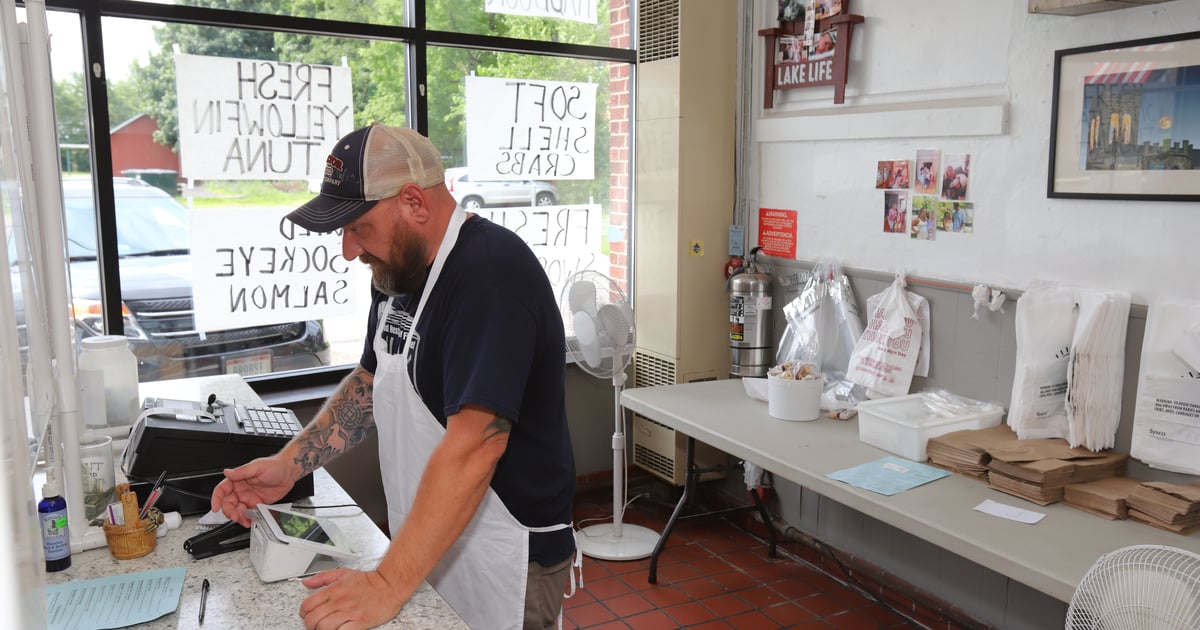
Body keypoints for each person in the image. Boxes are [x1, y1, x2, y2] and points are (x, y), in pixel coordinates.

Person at [211, 124, 578, 630]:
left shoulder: (490, 276)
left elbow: (476, 447)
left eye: (358, 227)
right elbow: (370, 383)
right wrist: (289, 466)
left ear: (413, 202)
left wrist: (386, 585)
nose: (347, 250)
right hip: (427, 541)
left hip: (507, 552)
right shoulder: (396, 273)